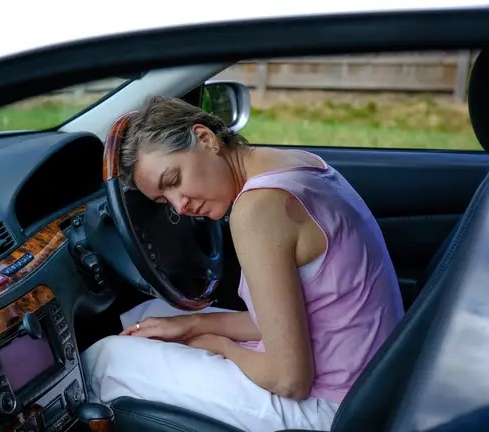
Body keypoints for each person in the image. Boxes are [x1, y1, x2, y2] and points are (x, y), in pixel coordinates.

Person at [81, 95, 405, 431]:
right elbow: (292, 320)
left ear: (205, 139)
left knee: (105, 359)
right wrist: (191, 326)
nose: (179, 207)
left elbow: (289, 380)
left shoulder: (258, 209)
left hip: (331, 411)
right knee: (147, 317)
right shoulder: (300, 165)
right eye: (164, 200)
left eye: (174, 180)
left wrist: (221, 347)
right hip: (372, 388)